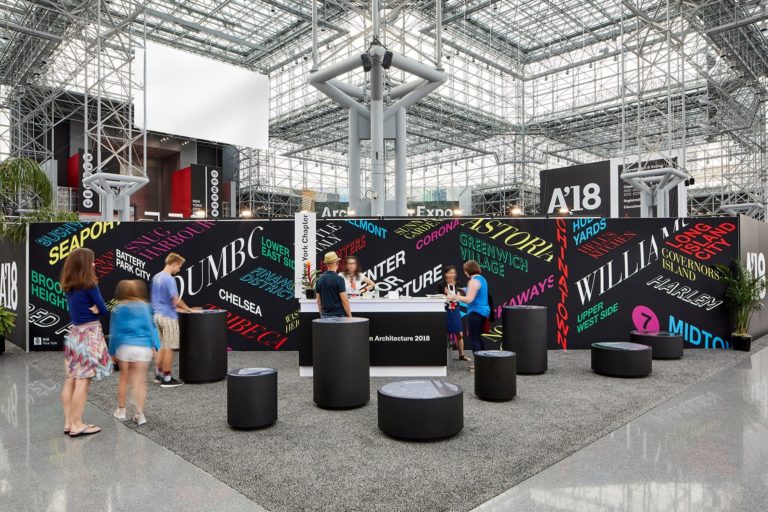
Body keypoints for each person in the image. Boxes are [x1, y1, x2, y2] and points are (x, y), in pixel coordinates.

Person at [60, 247, 111, 437]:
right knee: (83, 382)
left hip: (74, 335)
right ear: (84, 264)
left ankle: (68, 422)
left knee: (71, 379)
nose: (94, 263)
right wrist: (96, 311)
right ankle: (77, 424)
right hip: (89, 336)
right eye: (91, 261)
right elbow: (103, 309)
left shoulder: (69, 285)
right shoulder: (90, 285)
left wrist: (95, 309)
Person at [110, 280, 161, 426]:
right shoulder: (145, 307)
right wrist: (155, 346)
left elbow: (115, 331)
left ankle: (121, 410)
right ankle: (140, 414)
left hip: (125, 346)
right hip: (143, 347)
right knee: (140, 380)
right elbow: (151, 328)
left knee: (124, 378)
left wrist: (112, 352)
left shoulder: (118, 308)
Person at [151, 252, 194, 388]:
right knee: (169, 348)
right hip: (168, 317)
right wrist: (188, 309)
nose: (179, 270)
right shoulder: (169, 279)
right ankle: (167, 378)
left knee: (162, 347)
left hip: (157, 316)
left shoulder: (156, 277)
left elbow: (160, 300)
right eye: (179, 267)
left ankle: (158, 374)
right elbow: (175, 299)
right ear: (174, 264)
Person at [448, 260, 489, 357]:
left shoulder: (473, 281)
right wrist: (462, 290)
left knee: (474, 339)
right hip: (483, 312)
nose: (464, 272)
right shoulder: (482, 279)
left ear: (467, 270)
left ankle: (479, 365)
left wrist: (454, 297)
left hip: (475, 313)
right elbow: (475, 291)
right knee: (478, 338)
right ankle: (484, 363)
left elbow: (469, 299)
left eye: (465, 270)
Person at [437, 266, 470, 362]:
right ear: (445, 274)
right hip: (445, 309)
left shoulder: (459, 284)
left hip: (455, 309)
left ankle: (461, 355)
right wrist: (448, 297)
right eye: (450, 273)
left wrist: (451, 296)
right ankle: (442, 355)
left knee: (459, 334)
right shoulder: (441, 285)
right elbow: (439, 298)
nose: (452, 275)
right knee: (444, 333)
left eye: (454, 273)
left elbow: (462, 297)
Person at [315, 251, 351, 318]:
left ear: (326, 264)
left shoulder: (319, 280)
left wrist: (321, 315)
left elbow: (318, 301)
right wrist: (350, 316)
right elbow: (344, 301)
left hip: (324, 316)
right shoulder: (339, 279)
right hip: (339, 316)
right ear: (337, 263)